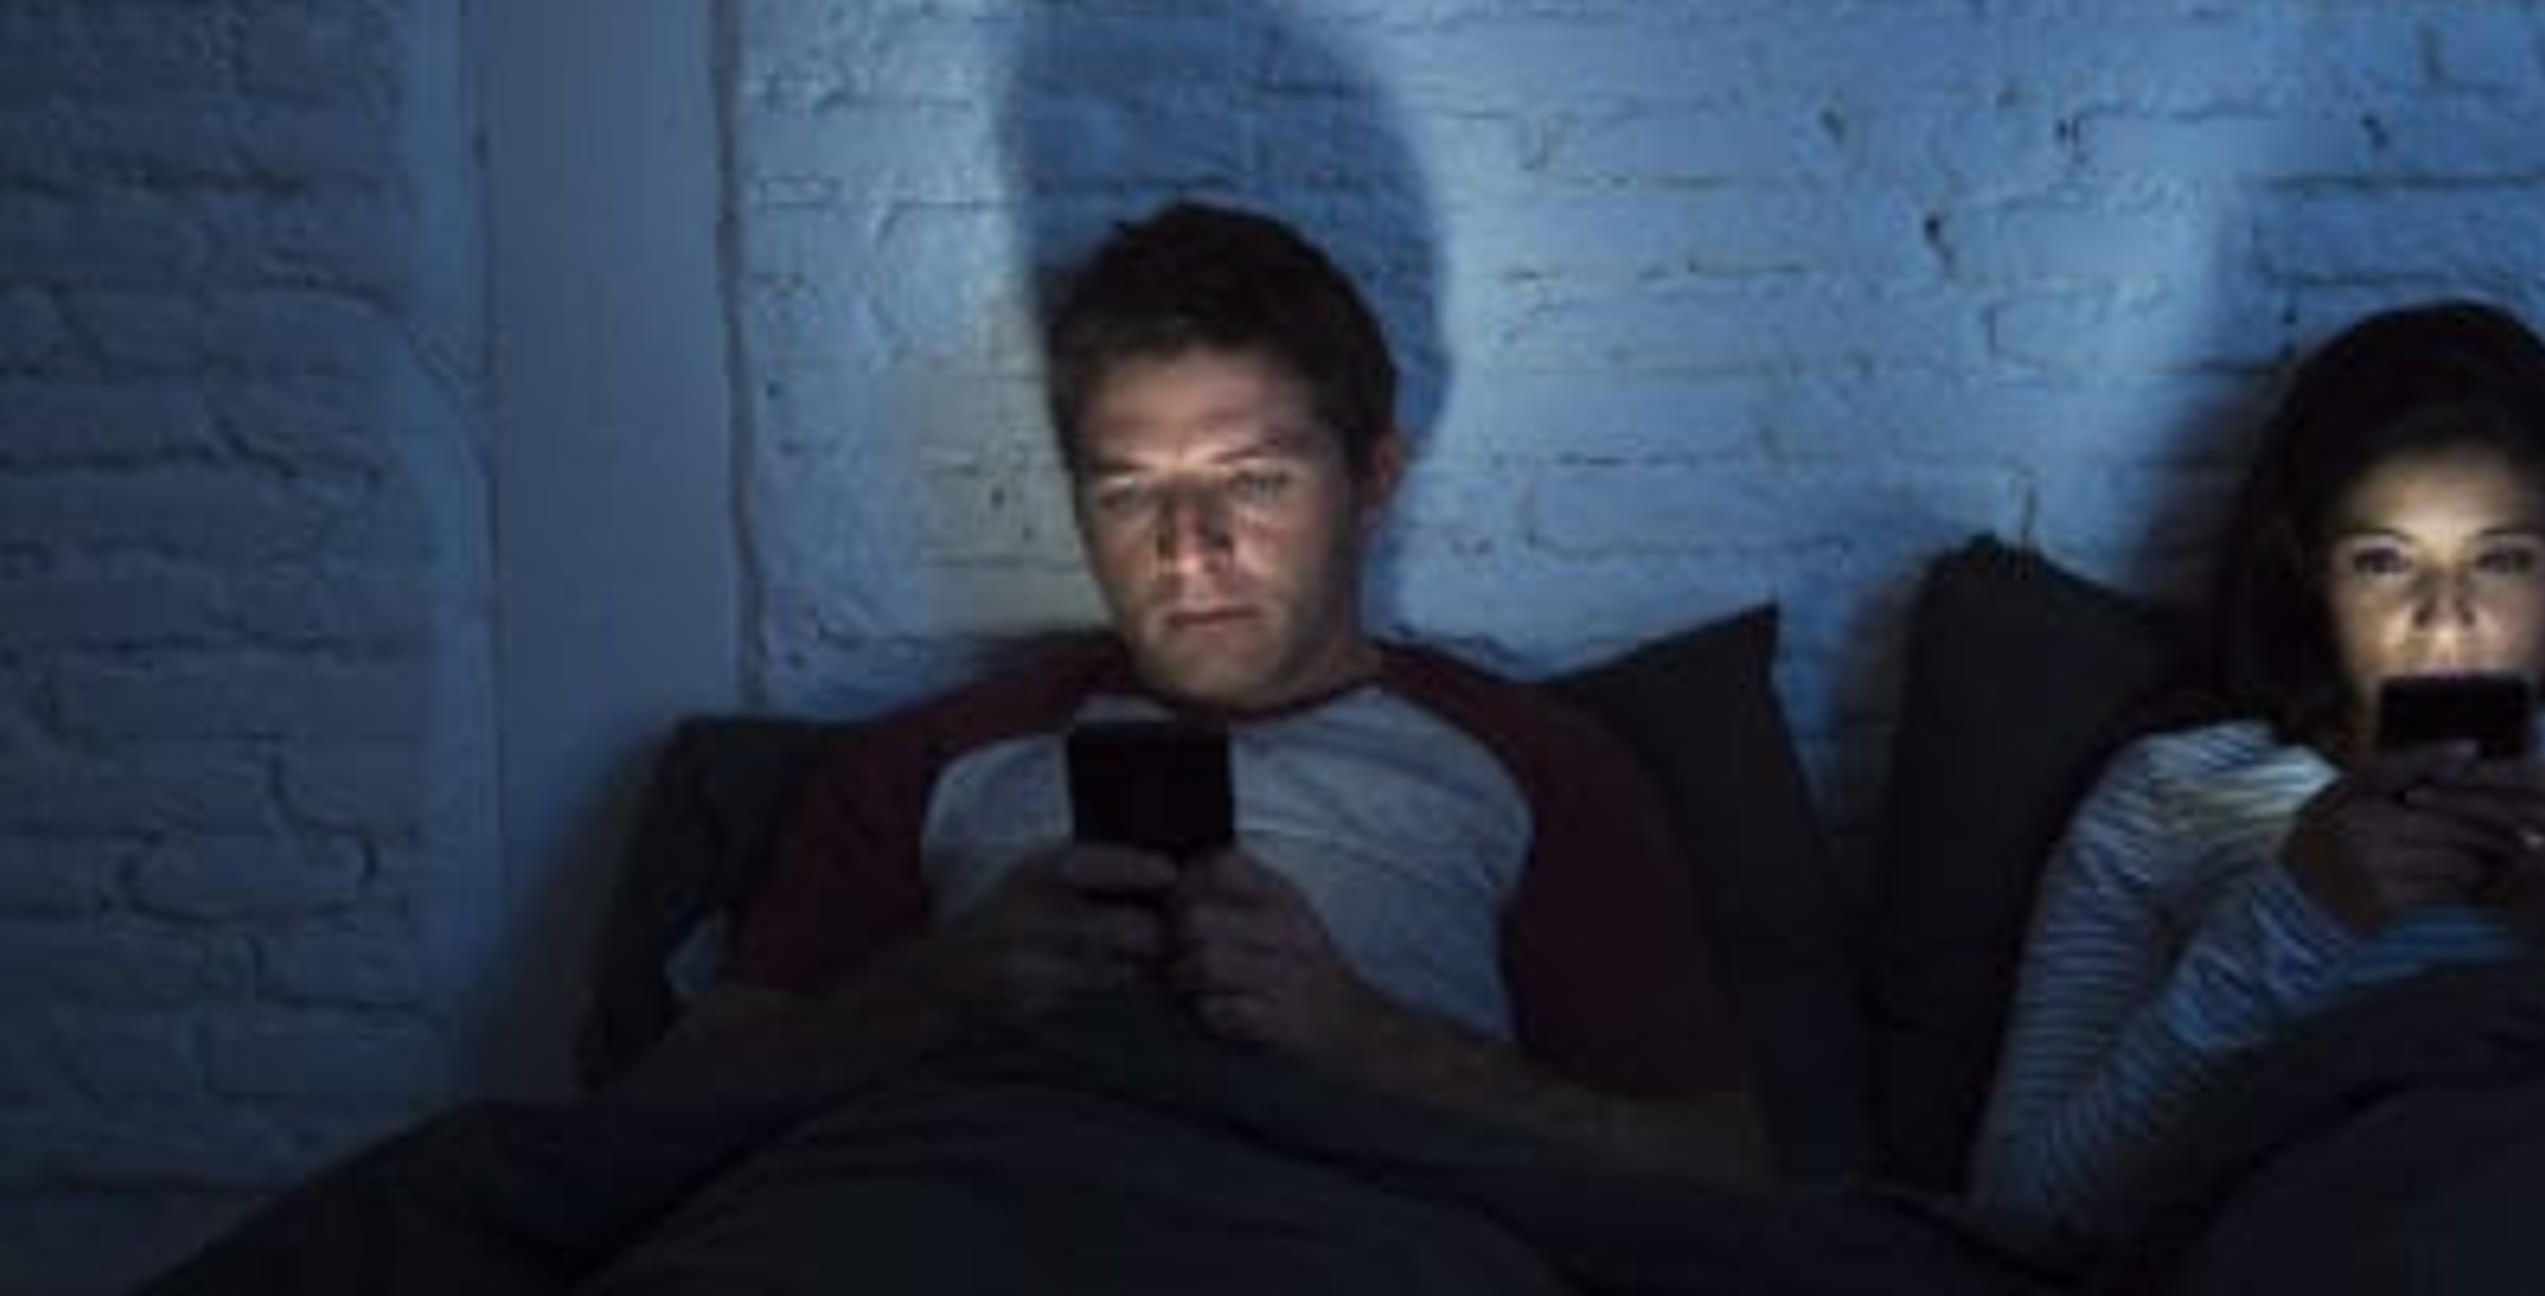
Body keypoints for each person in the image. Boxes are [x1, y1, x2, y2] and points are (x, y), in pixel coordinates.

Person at [627, 200, 1767, 1186]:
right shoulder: (930, 761)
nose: (1188, 549)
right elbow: (663, 1111)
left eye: (1253, 482)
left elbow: (1718, 1168)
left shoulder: (1533, 763)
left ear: (1372, 483)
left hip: (1355, 1252)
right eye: (1129, 493)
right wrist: (933, 995)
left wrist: (1363, 1040)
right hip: (959, 1223)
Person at [1967, 300, 2545, 1236]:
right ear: (2307, 569)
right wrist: (2295, 920)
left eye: (2502, 560)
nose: (2447, 619)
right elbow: (2024, 1211)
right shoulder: (2166, 804)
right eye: (2384, 562)